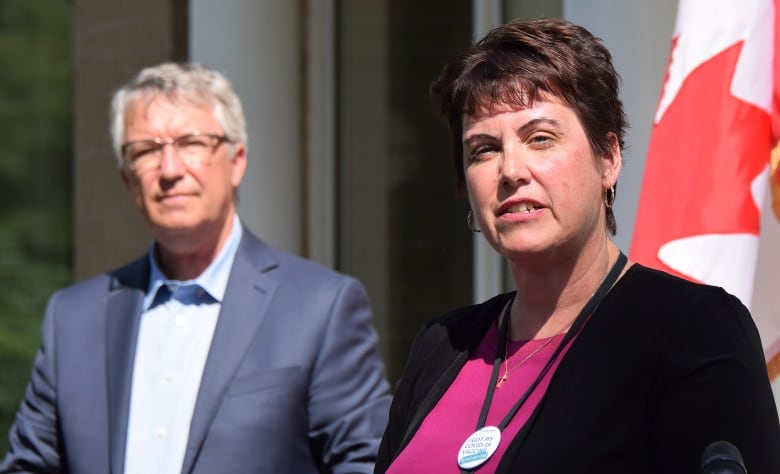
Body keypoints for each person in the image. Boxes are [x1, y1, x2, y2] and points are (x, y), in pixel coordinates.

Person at [375, 17, 780, 474]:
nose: (511, 171)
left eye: (540, 139)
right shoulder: (442, 344)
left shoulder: (694, 331)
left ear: (607, 159)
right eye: (483, 150)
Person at [1, 62, 391, 473]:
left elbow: (366, 464)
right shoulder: (73, 319)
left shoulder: (319, 308)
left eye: (190, 143)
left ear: (236, 161)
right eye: (147, 150)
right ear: (126, 178)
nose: (170, 170)